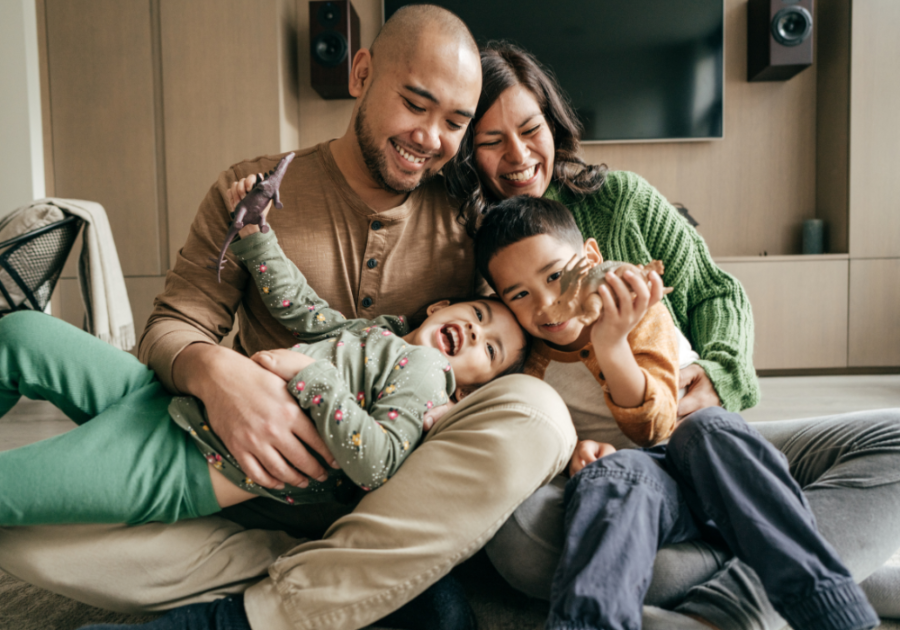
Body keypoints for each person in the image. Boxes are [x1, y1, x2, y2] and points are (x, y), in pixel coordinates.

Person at [0, 9, 576, 630]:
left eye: (456, 124)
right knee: (21, 478)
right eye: (415, 104)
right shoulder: (254, 190)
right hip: (215, 469)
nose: (431, 138)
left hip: (358, 527)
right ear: (361, 73)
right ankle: (273, 584)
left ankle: (279, 590)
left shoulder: (471, 230)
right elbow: (174, 324)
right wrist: (217, 374)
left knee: (441, 610)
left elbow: (531, 336)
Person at [443, 40, 900, 629]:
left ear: (554, 122)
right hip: (606, 468)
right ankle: (795, 572)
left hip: (696, 432)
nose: (519, 155)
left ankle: (728, 603)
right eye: (490, 141)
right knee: (549, 534)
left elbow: (717, 293)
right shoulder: (460, 240)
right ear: (464, 153)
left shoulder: (621, 202)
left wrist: (716, 374)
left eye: (531, 129)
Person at [473, 195, 879, 630]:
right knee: (612, 475)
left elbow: (655, 425)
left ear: (591, 257)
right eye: (520, 295)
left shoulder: (642, 313)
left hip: (710, 466)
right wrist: (572, 452)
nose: (547, 303)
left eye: (556, 275)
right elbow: (536, 433)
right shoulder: (532, 366)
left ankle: (834, 611)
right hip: (645, 489)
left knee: (706, 428)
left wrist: (611, 343)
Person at [0, 217, 530, 526]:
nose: (477, 335)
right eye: (480, 317)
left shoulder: (427, 378)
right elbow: (301, 307)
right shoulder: (376, 333)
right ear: (440, 307)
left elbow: (377, 464)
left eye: (491, 352)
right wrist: (257, 240)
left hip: (195, 456)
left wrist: (309, 375)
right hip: (169, 395)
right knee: (21, 332)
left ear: (469, 389)